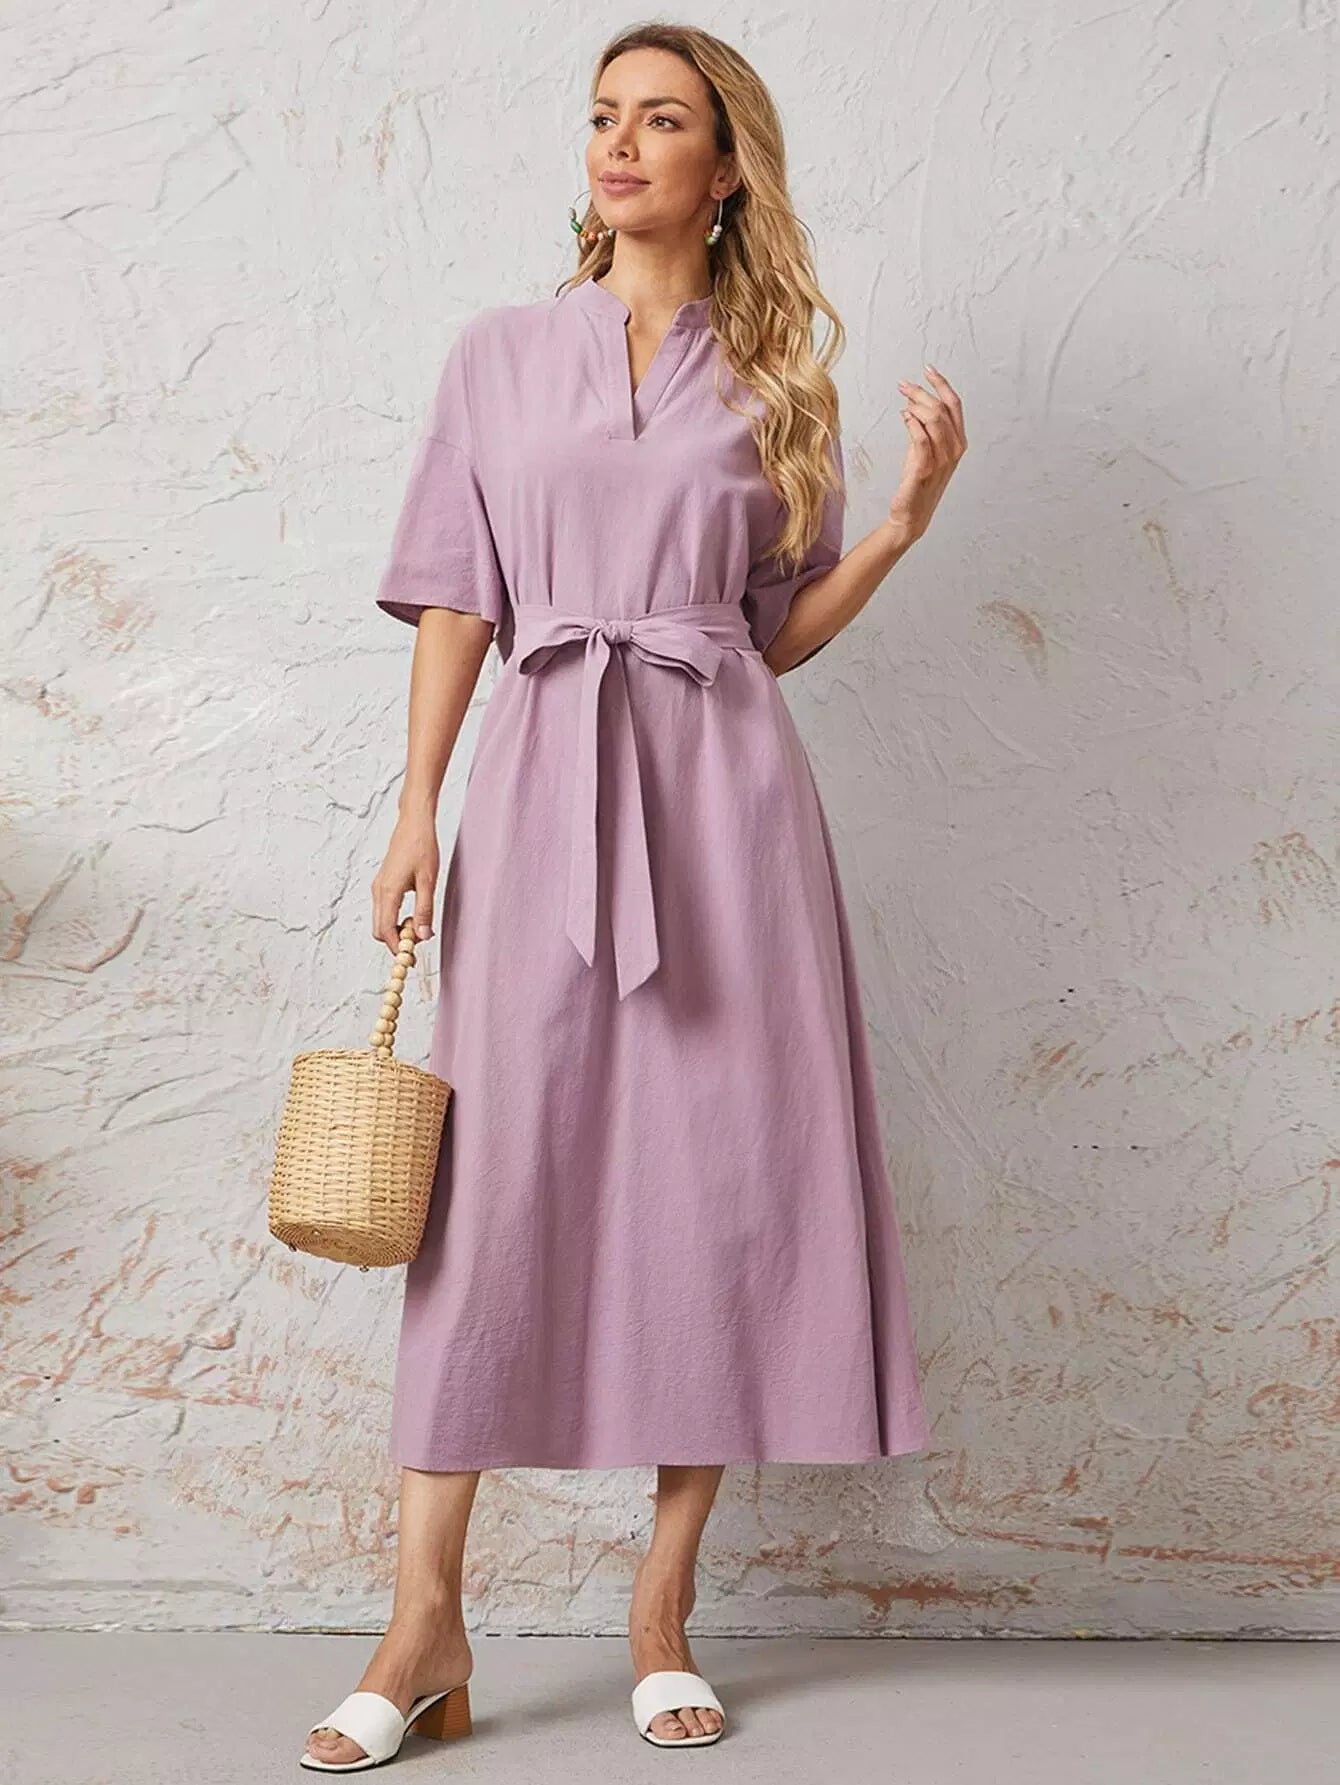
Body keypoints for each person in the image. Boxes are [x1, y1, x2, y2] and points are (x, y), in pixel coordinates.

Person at [301, 21, 966, 1772]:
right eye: (605, 114)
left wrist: (900, 523)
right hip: (537, 787)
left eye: (662, 120)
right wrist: (416, 808)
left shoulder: (779, 379)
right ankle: (423, 1618)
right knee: (488, 1186)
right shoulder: (501, 356)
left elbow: (770, 631)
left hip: (725, 804)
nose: (619, 142)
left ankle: (661, 1611)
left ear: (725, 168)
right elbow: (461, 596)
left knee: (716, 1185)